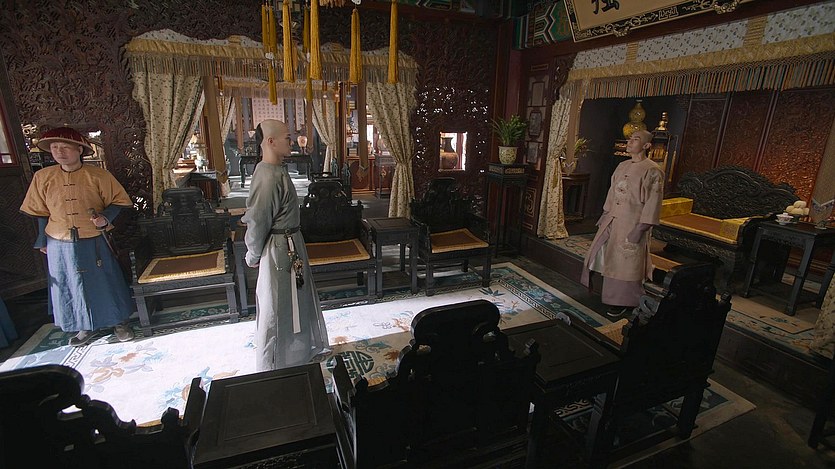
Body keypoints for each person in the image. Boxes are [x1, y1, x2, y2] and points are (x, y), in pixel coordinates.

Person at [20, 127, 135, 346]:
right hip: (58, 240)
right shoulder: (43, 177)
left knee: (105, 280)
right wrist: (42, 239)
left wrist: (105, 218)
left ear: (79, 150)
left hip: (93, 237)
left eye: (65, 147)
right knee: (70, 283)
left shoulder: (99, 175)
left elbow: (118, 201)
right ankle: (84, 326)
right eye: (55, 148)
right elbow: (41, 212)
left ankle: (119, 322)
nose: (59, 152)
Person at [241, 119, 329, 371]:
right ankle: (275, 363)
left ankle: (295, 353)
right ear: (270, 142)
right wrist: (253, 254)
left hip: (291, 244)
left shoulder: (278, 169)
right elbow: (258, 221)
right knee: (278, 305)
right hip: (280, 250)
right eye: (288, 138)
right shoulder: (266, 176)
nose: (292, 142)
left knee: (295, 299)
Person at [581, 130, 664, 317]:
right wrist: (606, 214)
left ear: (646, 145)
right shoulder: (622, 166)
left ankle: (627, 300)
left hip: (632, 222)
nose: (630, 142)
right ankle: (609, 295)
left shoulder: (652, 170)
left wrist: (641, 228)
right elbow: (612, 192)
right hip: (613, 218)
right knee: (605, 256)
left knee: (626, 263)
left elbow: (653, 202)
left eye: (636, 139)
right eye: (630, 139)